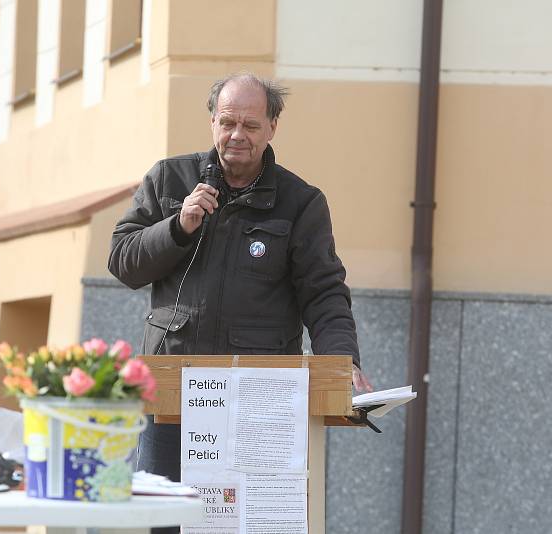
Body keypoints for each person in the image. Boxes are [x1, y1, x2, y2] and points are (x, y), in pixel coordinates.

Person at [108, 72, 372, 501]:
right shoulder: (169, 179)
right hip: (173, 393)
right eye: (227, 122)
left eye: (250, 126)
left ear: (272, 127)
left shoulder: (301, 202)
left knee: (250, 518)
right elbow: (123, 262)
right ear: (212, 120)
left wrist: (341, 362)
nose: (237, 135)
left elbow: (324, 293)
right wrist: (178, 226)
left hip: (257, 396)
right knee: (165, 518)